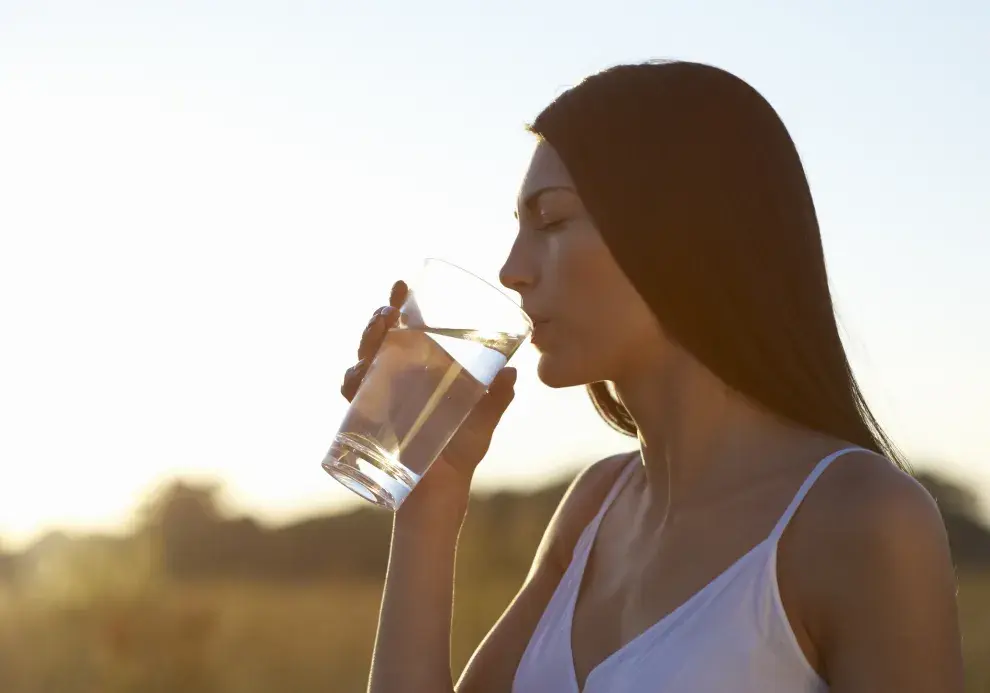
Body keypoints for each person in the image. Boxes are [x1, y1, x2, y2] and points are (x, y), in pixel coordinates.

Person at [341, 61, 964, 693]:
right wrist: (430, 500)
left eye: (552, 220)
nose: (511, 269)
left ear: (679, 228)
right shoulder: (593, 509)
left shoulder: (863, 518)